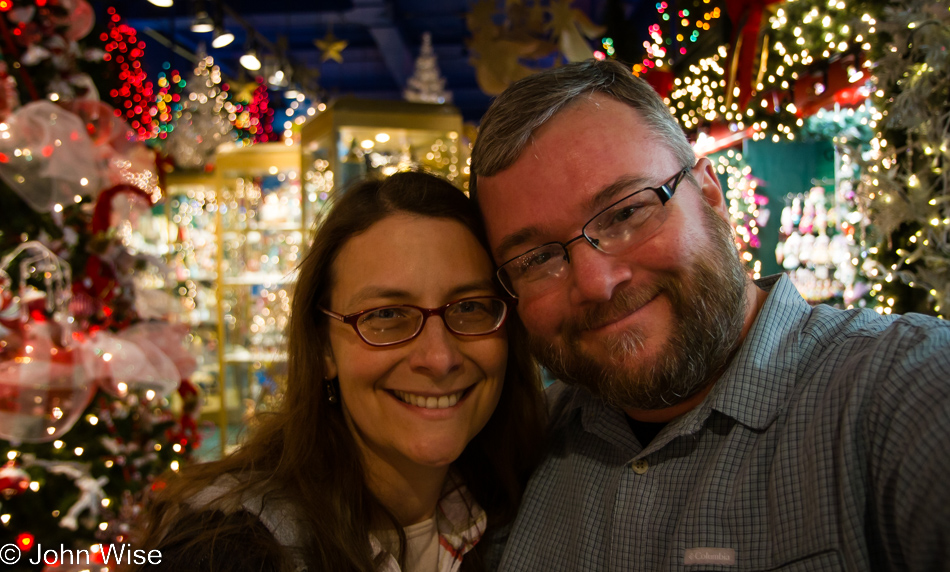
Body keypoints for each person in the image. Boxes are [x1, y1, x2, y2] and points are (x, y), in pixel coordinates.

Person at [470, 58, 950, 571]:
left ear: (712, 196)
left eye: (627, 212)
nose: (596, 283)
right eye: (538, 258)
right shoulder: (519, 451)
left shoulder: (905, 393)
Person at [133, 171, 546, 572]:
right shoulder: (227, 548)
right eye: (386, 315)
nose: (439, 358)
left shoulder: (529, 508)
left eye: (470, 307)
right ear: (323, 347)